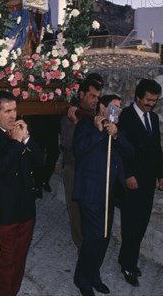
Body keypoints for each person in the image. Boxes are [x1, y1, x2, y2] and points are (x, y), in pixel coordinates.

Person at [0, 90, 44, 296]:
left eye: (15, 110)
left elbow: (41, 162)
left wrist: (26, 140)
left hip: (26, 210)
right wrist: (16, 143)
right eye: (7, 111)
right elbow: (0, 167)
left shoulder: (19, 132)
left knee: (19, 262)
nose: (13, 115)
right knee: (4, 265)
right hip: (4, 213)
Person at [73, 95, 132, 296]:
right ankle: (82, 280)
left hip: (109, 193)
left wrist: (116, 136)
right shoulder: (86, 125)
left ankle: (94, 274)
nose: (117, 111)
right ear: (101, 107)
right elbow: (78, 149)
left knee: (104, 238)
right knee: (93, 238)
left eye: (119, 108)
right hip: (90, 193)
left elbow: (130, 151)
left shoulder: (116, 129)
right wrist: (99, 133)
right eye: (113, 107)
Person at [117, 78, 163, 287]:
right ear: (138, 97)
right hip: (132, 181)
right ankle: (127, 265)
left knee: (141, 224)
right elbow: (121, 149)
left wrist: (161, 175)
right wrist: (128, 175)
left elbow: (156, 148)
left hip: (147, 181)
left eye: (154, 101)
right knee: (130, 224)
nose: (151, 104)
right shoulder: (126, 117)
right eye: (148, 100)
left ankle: (128, 259)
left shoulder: (153, 119)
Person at [60, 78, 103, 251]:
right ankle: (81, 245)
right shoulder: (71, 116)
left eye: (97, 97)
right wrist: (82, 128)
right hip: (74, 167)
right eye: (92, 96)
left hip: (90, 169)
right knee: (76, 209)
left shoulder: (94, 115)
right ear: (82, 94)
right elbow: (69, 144)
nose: (95, 100)